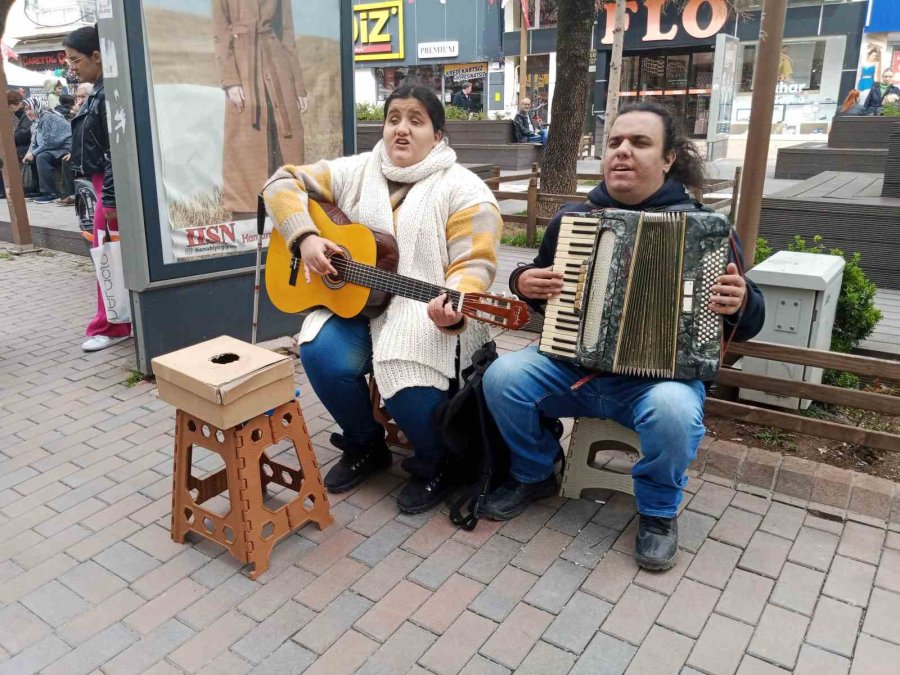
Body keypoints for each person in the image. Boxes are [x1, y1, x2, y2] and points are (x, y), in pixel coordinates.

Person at [480, 101, 765, 571]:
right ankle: (534, 472)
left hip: (659, 382)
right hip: (573, 368)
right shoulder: (573, 219)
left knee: (674, 411)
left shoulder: (707, 231)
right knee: (503, 376)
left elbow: (748, 322)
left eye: (639, 142)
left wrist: (742, 302)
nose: (622, 151)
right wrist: (523, 281)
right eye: (614, 142)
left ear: (669, 158)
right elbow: (541, 285)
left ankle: (657, 512)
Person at [263, 85, 502, 513]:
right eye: (394, 119)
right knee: (319, 350)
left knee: (403, 365)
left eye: (415, 120)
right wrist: (305, 237)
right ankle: (365, 444)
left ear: (438, 134)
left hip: (425, 307)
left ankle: (436, 461)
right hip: (359, 304)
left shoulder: (466, 190)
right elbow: (281, 182)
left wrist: (457, 306)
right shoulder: (357, 170)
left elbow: (475, 263)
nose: (401, 130)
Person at [65, 24, 132, 352]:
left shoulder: (107, 94)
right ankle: (116, 321)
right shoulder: (101, 91)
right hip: (104, 185)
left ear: (96, 56)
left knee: (106, 255)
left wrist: (110, 198)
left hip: (108, 186)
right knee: (108, 254)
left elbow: (115, 153)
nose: (72, 68)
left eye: (75, 60)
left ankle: (111, 325)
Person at [213, 0, 309, 218]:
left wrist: (298, 85)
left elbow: (287, 33)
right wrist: (231, 80)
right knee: (245, 143)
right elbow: (220, 32)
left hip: (277, 63)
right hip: (243, 66)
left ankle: (289, 209)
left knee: (287, 140)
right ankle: (247, 214)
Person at [22, 98, 71, 204]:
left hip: (64, 148)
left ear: (37, 107)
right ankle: (37, 190)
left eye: (30, 108)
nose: (28, 112)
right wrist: (29, 154)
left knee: (42, 157)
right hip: (53, 148)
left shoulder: (49, 117)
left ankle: (49, 193)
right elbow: (34, 142)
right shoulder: (35, 122)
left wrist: (33, 153)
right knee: (32, 157)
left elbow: (50, 142)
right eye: (25, 110)